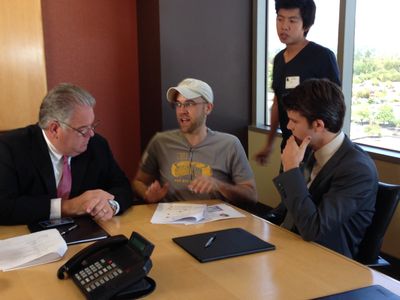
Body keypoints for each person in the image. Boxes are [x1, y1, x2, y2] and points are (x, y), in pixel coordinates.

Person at [253, 0, 341, 223]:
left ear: (306, 25)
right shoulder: (279, 60)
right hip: (290, 145)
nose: (284, 26)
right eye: (280, 19)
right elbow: (277, 103)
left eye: (292, 20)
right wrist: (269, 143)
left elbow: (335, 105)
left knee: (312, 210)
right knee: (289, 205)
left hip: (315, 147)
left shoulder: (322, 56)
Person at [0, 83, 134, 225]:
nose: (91, 134)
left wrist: (111, 206)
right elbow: (4, 207)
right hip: (29, 239)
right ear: (55, 129)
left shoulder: (97, 145)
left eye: (92, 126)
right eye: (83, 129)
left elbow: (123, 187)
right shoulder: (10, 148)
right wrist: (68, 207)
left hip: (86, 235)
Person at [273, 78, 378, 258]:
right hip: (289, 244)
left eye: (294, 121)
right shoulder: (308, 149)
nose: (289, 127)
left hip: (324, 260)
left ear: (318, 125)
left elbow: (314, 229)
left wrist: (291, 170)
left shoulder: (357, 170)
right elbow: (286, 210)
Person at [132, 78, 257, 205]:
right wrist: (147, 194)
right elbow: (138, 182)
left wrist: (219, 185)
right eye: (178, 104)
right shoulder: (160, 142)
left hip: (216, 221)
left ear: (208, 108)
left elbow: (251, 195)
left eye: (189, 104)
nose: (182, 111)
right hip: (170, 220)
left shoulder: (230, 144)